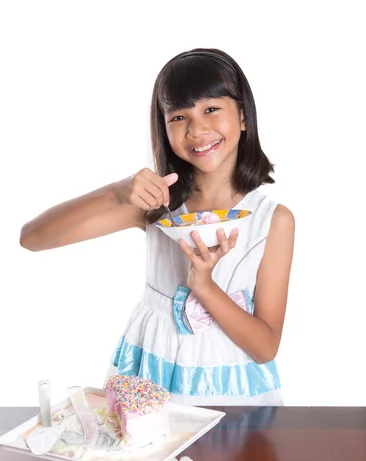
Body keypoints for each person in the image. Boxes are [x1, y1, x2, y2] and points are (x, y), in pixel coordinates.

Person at [20, 48, 295, 406]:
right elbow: (33, 239)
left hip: (232, 387)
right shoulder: (157, 206)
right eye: (179, 116)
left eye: (211, 109)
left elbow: (264, 347)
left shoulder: (271, 219)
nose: (197, 129)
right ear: (164, 129)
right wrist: (115, 193)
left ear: (243, 116)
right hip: (150, 373)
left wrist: (205, 287)